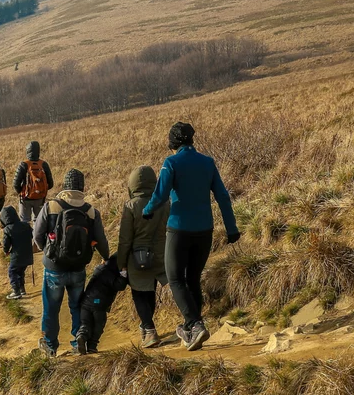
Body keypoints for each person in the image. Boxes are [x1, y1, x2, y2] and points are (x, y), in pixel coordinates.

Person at [143, 122, 240, 352]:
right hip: (205, 230)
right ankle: (191, 328)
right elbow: (223, 197)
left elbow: (160, 195)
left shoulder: (171, 163)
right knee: (193, 278)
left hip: (179, 230)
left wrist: (147, 211)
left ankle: (195, 325)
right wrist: (231, 228)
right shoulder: (208, 162)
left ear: (172, 142)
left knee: (175, 278)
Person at [33, 168, 109, 357]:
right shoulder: (91, 211)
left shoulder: (51, 206)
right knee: (77, 306)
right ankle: (78, 340)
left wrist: (48, 251)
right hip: (78, 268)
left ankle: (50, 345)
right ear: (82, 187)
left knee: (51, 307)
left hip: (54, 268)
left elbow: (36, 234)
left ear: (64, 186)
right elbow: (101, 240)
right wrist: (107, 258)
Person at [117, 165, 170, 348]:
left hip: (137, 257)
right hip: (160, 255)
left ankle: (149, 330)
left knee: (139, 294)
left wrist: (121, 262)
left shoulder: (131, 206)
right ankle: (146, 326)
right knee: (150, 292)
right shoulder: (164, 202)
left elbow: (125, 239)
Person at [76, 253, 128, 354]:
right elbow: (120, 285)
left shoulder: (99, 268)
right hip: (98, 305)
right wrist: (124, 272)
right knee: (98, 325)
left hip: (85, 302)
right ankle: (92, 346)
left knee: (85, 324)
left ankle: (81, 336)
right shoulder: (110, 273)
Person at [14, 141, 54, 223]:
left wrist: (21, 192)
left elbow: (15, 183)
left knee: (24, 220)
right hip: (40, 198)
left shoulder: (23, 165)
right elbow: (51, 183)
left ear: (27, 151)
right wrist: (41, 191)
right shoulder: (44, 164)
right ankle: (37, 235)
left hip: (25, 198)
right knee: (38, 220)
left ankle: (26, 235)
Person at [0, 205, 34, 300]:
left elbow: (6, 243)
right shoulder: (26, 225)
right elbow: (32, 235)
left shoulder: (8, 229)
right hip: (28, 254)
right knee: (20, 272)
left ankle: (16, 291)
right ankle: (22, 289)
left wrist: (5, 251)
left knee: (12, 271)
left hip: (16, 256)